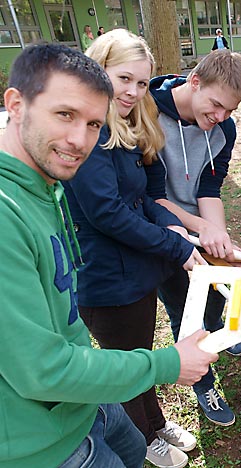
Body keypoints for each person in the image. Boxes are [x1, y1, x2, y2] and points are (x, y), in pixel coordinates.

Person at [0, 42, 217, 468]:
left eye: (94, 124)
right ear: (16, 105)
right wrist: (167, 363)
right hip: (47, 446)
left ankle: (150, 428)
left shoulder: (48, 186)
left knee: (132, 449)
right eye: (65, 114)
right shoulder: (8, 215)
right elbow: (43, 371)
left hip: (88, 405)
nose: (80, 139)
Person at [63, 29, 204, 468]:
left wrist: (170, 225)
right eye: (124, 78)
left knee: (140, 352)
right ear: (97, 68)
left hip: (135, 270)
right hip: (106, 278)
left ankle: (154, 423)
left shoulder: (124, 124)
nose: (133, 91)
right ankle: (142, 438)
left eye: (142, 83)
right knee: (127, 363)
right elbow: (107, 213)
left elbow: (144, 196)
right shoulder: (85, 132)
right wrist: (173, 246)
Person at [146, 49, 241, 427]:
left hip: (197, 219)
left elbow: (210, 185)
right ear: (194, 82)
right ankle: (203, 383)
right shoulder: (148, 115)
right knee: (183, 307)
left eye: (229, 111)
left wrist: (217, 232)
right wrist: (196, 228)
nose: (220, 117)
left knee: (217, 287)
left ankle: (218, 333)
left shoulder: (223, 128)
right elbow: (152, 196)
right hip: (164, 227)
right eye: (216, 105)